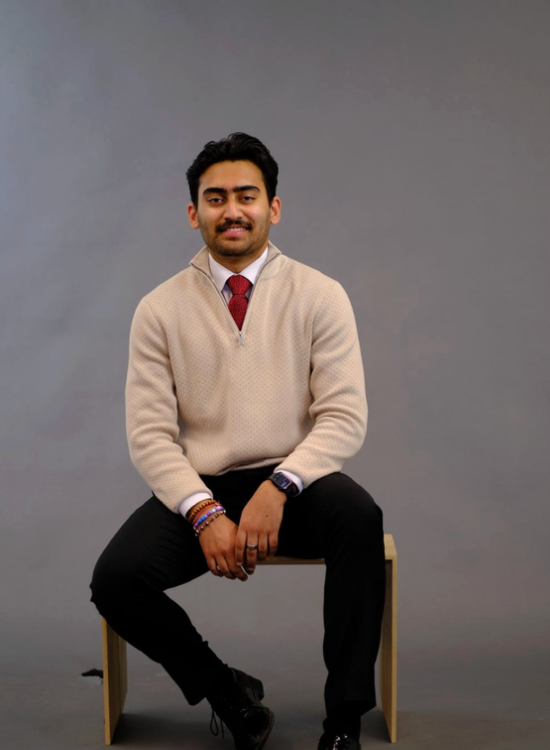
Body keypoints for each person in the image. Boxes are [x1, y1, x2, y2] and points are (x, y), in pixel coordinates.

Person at [90, 132, 386, 750]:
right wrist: (203, 512)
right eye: (216, 198)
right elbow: (149, 434)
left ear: (273, 207)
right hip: (204, 487)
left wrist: (279, 487)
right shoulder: (159, 309)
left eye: (247, 196)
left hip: (297, 484)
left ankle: (343, 726)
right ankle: (227, 691)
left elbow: (343, 417)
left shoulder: (320, 294)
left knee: (359, 519)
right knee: (115, 578)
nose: (232, 211)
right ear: (193, 212)